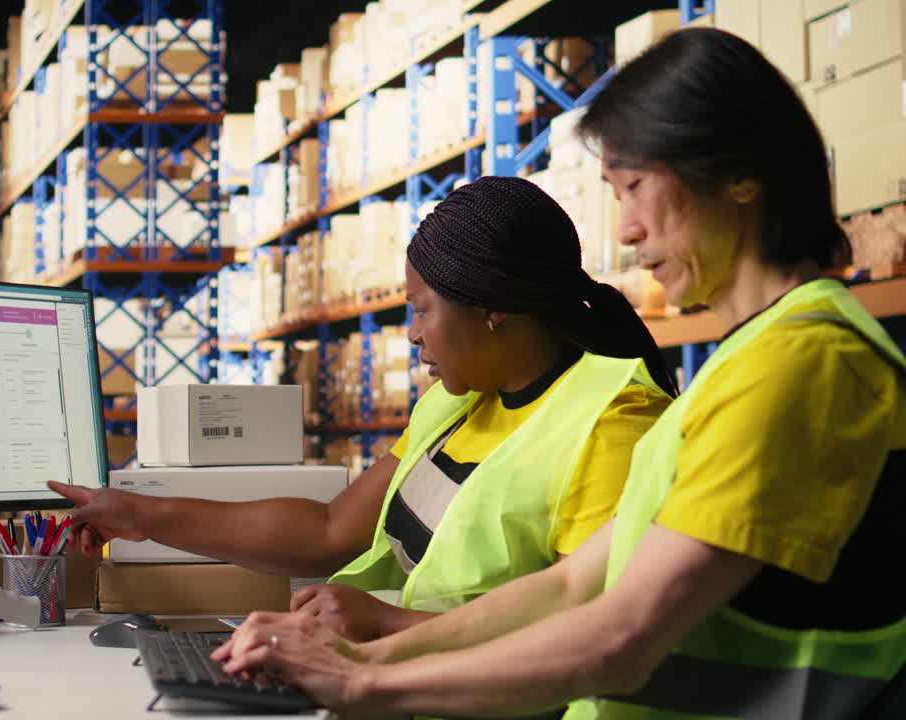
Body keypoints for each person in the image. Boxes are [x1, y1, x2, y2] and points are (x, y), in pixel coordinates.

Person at [214, 26, 906, 720]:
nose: (627, 230)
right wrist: (364, 659)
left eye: (635, 187)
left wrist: (361, 685)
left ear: (740, 177)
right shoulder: (752, 358)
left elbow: (621, 640)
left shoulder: (805, 363)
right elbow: (571, 587)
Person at [50, 175, 677, 643]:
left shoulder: (612, 425)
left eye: (422, 309)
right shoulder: (456, 405)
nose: (412, 333)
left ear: (493, 308)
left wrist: (388, 625)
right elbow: (326, 531)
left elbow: (589, 635)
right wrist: (140, 514)